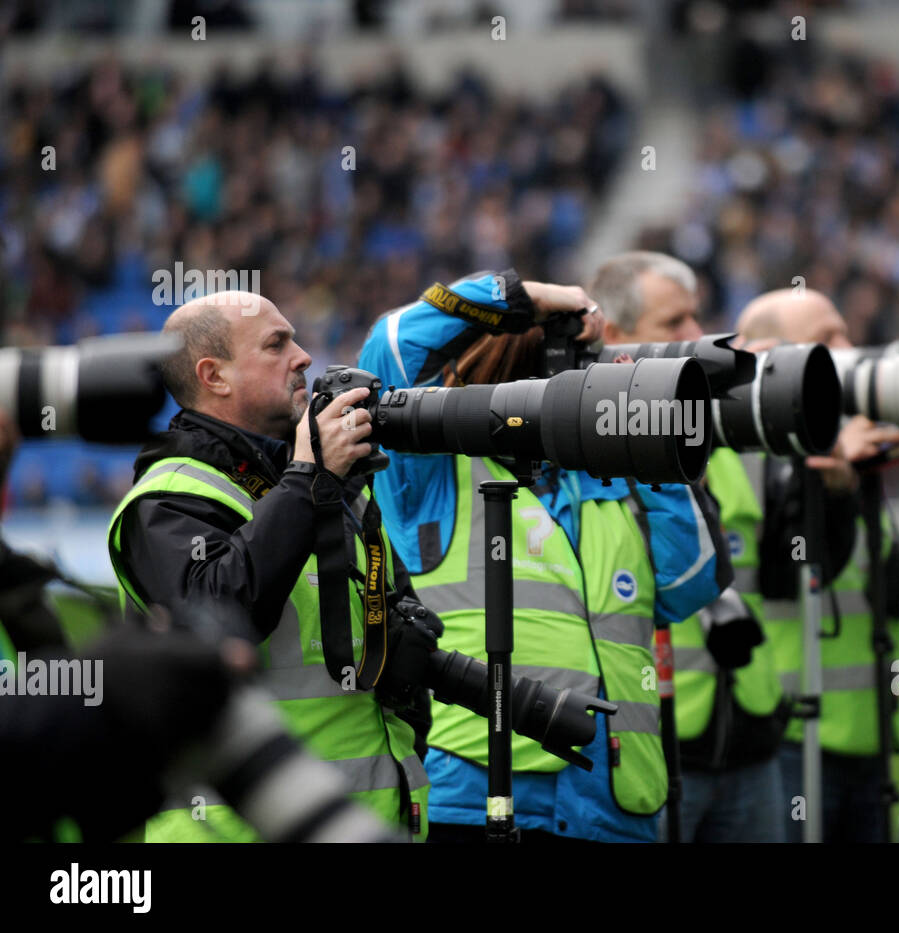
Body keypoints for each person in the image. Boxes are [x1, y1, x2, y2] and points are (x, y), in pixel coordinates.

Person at [359, 269, 732, 843]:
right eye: (578, 362)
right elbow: (390, 349)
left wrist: (654, 437)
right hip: (476, 794)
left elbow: (691, 583)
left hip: (616, 799)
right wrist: (524, 299)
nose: (593, 375)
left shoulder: (608, 481)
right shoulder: (433, 470)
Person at [107, 291, 430, 842]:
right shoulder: (167, 497)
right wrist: (308, 476)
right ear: (215, 376)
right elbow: (220, 613)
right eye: (277, 344)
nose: (304, 356)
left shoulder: (316, 481)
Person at [590, 250, 785, 843]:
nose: (695, 338)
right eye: (673, 325)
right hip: (654, 743)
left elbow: (791, 574)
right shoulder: (587, 464)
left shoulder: (725, 441)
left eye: (695, 319)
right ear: (615, 339)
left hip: (752, 736)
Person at [734, 287, 899, 843]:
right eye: (825, 340)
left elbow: (891, 580)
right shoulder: (752, 452)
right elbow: (786, 576)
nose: (847, 347)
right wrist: (826, 484)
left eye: (844, 333)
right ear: (772, 356)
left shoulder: (857, 440)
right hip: (791, 731)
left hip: (867, 737)